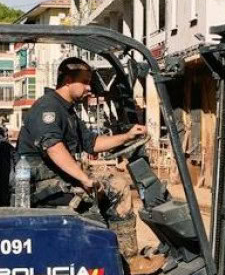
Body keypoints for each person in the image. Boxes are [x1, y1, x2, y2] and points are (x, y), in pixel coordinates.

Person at [16, 58, 146, 236]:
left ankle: (115, 253)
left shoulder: (68, 111)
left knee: (118, 184)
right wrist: (84, 179)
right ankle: (126, 256)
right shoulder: (49, 107)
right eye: (85, 82)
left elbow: (92, 143)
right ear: (68, 81)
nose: (89, 88)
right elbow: (53, 147)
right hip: (41, 186)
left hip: (58, 179)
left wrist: (127, 136)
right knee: (115, 190)